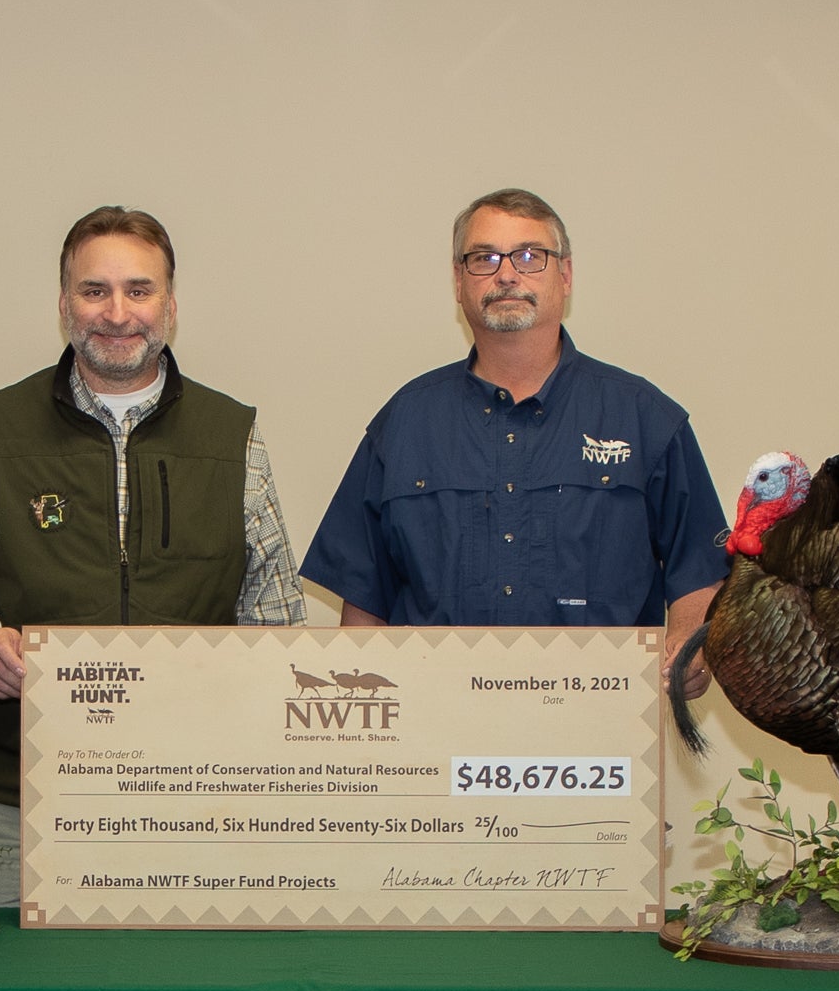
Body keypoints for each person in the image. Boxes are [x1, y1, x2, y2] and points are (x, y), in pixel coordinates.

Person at [0, 205, 307, 905]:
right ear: (65, 306)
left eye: (139, 290)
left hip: (194, 805)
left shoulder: (232, 434)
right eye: (95, 291)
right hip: (12, 807)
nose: (117, 313)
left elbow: (272, 608)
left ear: (170, 307)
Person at [299, 189, 725, 673]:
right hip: (435, 724)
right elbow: (363, 603)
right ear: (459, 282)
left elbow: (699, 573)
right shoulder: (404, 424)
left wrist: (691, 649)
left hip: (600, 726)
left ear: (565, 276)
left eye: (529, 256)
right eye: (484, 258)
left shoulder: (645, 418)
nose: (506, 274)